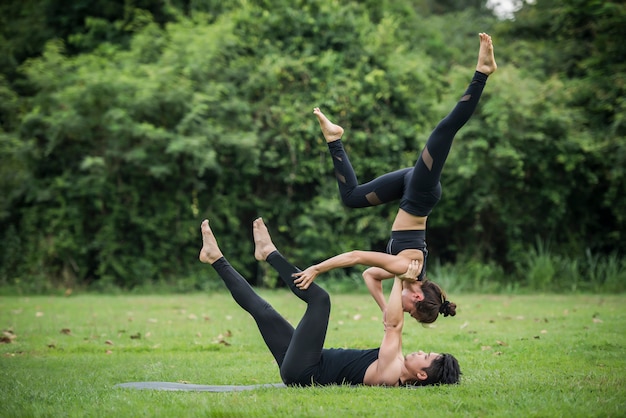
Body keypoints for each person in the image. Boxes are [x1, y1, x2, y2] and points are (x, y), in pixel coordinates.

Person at [293, 33, 498, 324]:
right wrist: (315, 269)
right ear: (417, 297)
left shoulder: (402, 272)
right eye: (407, 309)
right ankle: (482, 73)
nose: (400, 307)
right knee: (444, 131)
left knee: (352, 197)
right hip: (419, 194)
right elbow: (354, 256)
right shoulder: (404, 265)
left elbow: (369, 275)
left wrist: (384, 310)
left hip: (408, 190)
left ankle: (334, 138)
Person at [198, 217, 461, 387]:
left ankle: (269, 253)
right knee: (263, 311)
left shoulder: (393, 371)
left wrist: (401, 279)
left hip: (305, 370)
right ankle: (215, 257)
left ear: (422, 375)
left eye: (425, 357)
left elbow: (393, 326)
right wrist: (396, 281)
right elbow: (387, 313)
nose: (420, 352)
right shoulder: (395, 363)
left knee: (320, 300)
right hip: (304, 365)